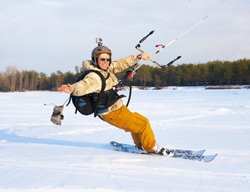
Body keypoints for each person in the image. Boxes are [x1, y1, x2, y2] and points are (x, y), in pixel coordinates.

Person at [58, 41, 168, 155]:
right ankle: (151, 147)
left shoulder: (104, 69)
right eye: (102, 59)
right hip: (112, 112)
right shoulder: (94, 76)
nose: (106, 62)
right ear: (95, 59)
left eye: (107, 59)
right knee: (143, 123)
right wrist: (72, 89)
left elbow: (120, 63)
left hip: (116, 108)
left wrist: (138, 57)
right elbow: (84, 85)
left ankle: (141, 146)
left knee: (137, 122)